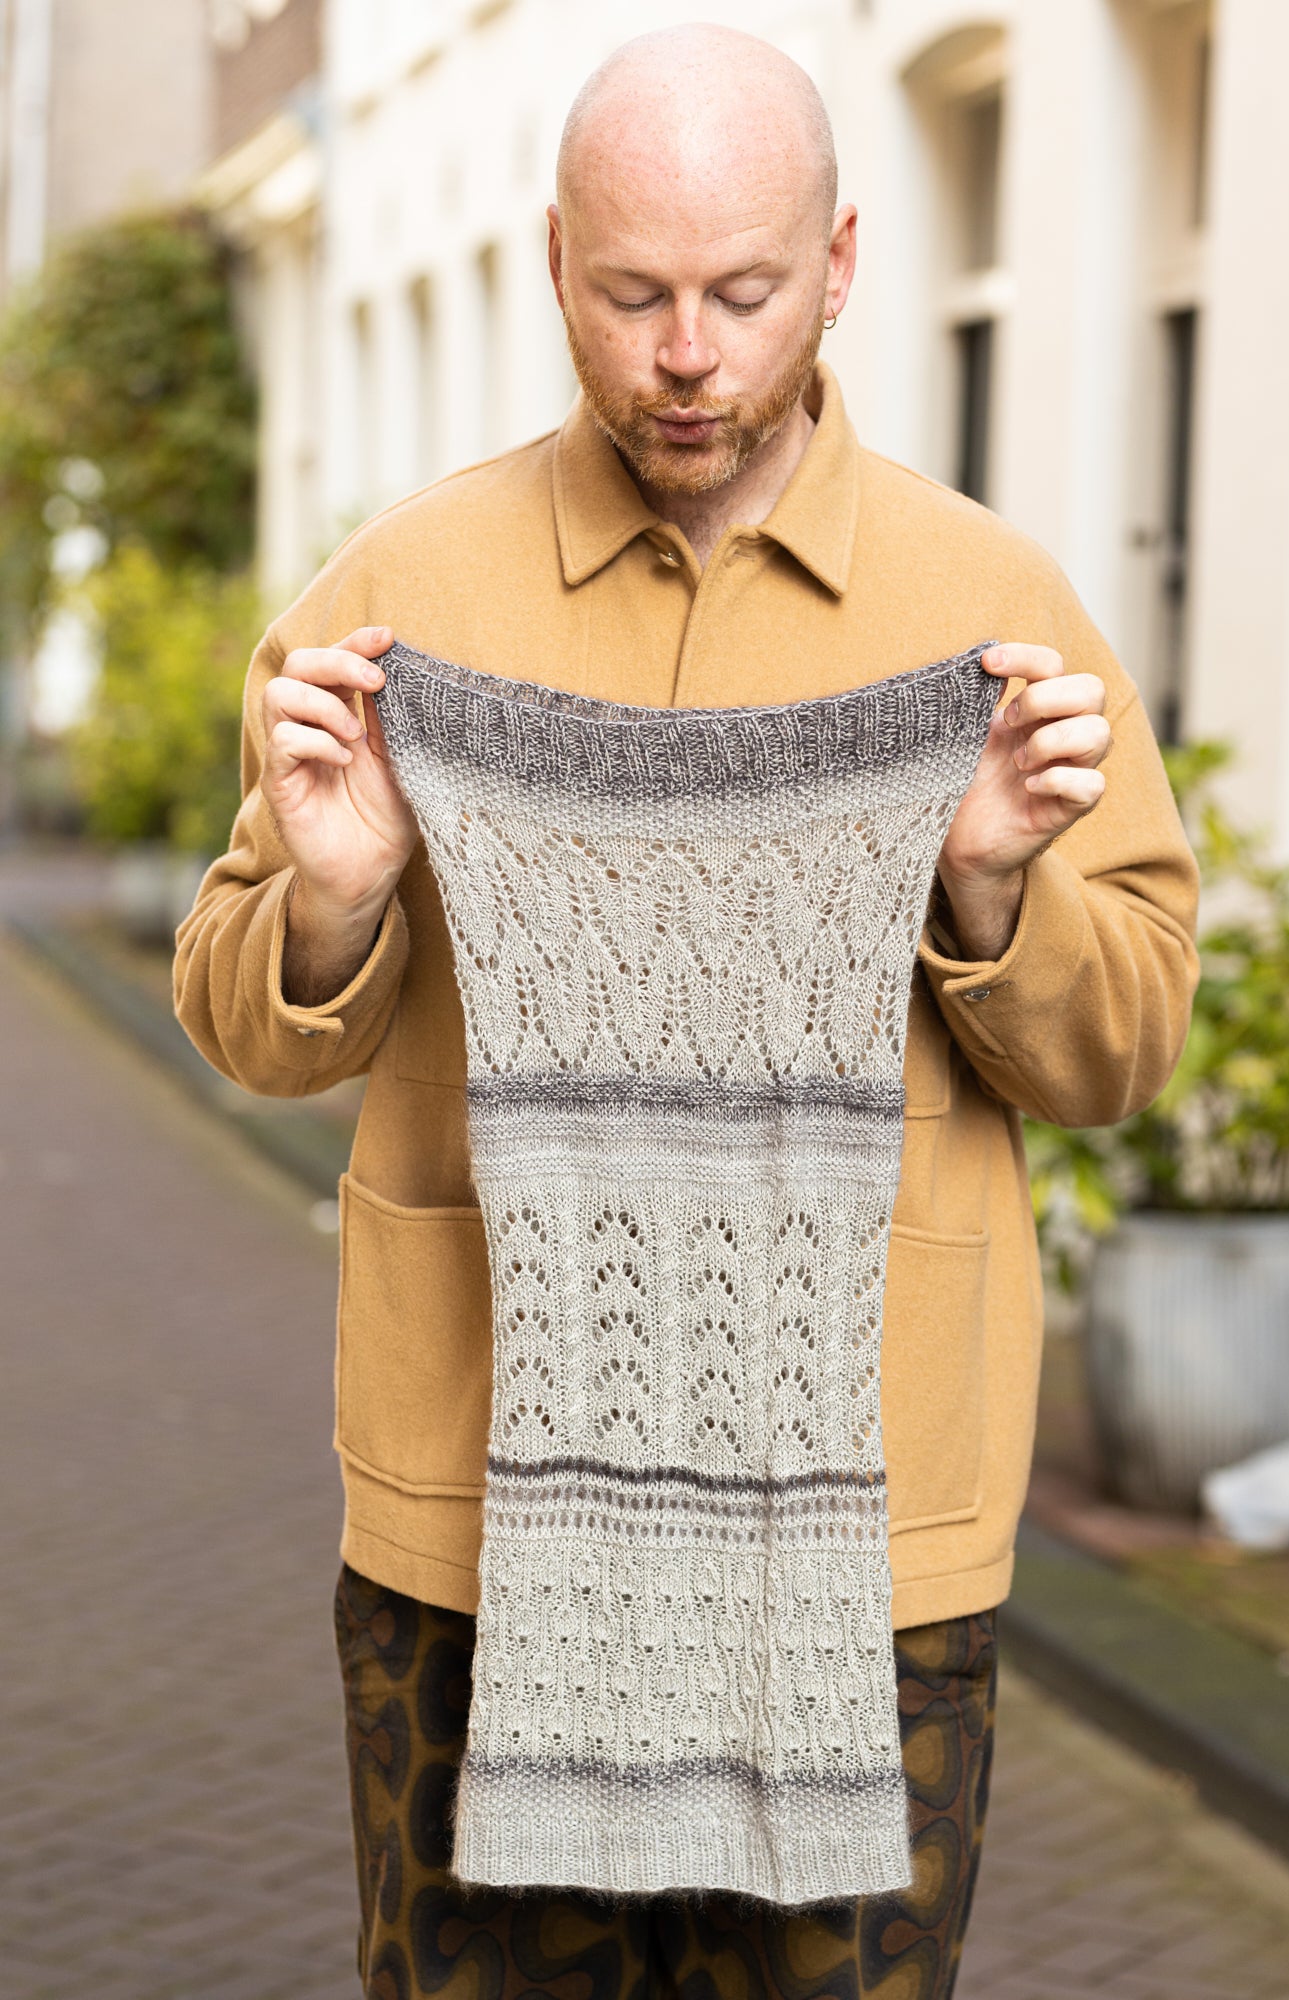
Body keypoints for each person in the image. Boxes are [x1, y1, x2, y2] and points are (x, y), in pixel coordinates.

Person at [174, 24, 1199, 2000]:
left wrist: (982, 879)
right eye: (634, 294)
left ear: (836, 263)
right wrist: (334, 890)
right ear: (556, 260)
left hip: (869, 1549)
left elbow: (1122, 1048)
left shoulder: (990, 608)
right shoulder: (403, 597)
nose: (686, 356)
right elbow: (252, 1026)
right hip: (471, 1531)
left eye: (739, 292)